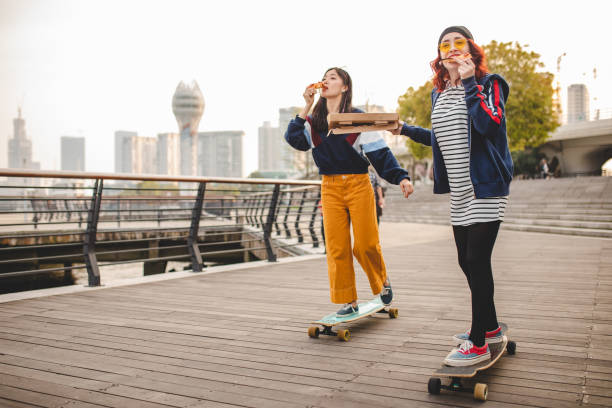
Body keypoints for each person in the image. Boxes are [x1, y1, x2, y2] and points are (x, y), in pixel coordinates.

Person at [390, 26, 512, 366]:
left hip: (486, 186)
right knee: (466, 261)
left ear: (472, 50)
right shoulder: (439, 93)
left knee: (476, 261)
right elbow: (440, 137)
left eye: (459, 43)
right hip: (460, 191)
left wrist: (471, 81)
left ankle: (477, 343)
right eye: (445, 44)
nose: (452, 48)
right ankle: (489, 328)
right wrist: (403, 130)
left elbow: (490, 124)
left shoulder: (491, 84)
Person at [285, 67, 414, 316]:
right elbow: (294, 140)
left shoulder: (356, 117)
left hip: (358, 184)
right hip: (329, 187)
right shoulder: (314, 121)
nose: (326, 81)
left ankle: (382, 281)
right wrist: (306, 107)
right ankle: (348, 300)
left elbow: (380, 153)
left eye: (333, 78)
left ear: (345, 87)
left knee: (365, 244)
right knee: (337, 247)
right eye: (325, 77)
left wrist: (401, 177)